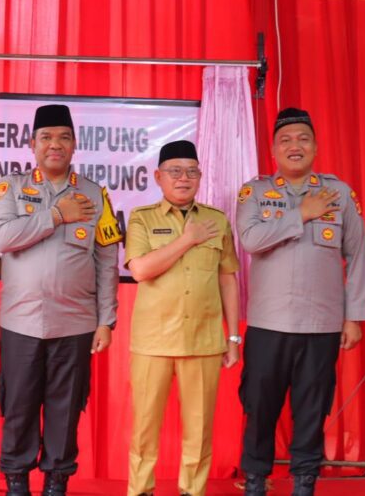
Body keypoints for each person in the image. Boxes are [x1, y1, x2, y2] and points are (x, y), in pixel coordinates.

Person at [0, 104, 122, 496]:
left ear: (75, 144)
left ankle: (56, 482)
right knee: (19, 405)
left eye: (63, 137)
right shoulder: (11, 188)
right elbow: (1, 238)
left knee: (66, 409)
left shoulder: (95, 194)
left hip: (76, 323)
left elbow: (107, 261)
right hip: (21, 323)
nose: (55, 144)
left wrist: (106, 320)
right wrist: (56, 216)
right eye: (46, 137)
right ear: (32, 144)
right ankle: (16, 481)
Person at [236, 108, 365, 496]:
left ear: (315, 146)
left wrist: (354, 316)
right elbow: (251, 240)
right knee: (259, 405)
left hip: (321, 323)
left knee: (313, 407)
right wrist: (301, 214)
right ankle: (256, 479)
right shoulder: (255, 192)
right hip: (268, 323)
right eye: (286, 140)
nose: (295, 146)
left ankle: (305, 481)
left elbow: (358, 254)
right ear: (274, 150)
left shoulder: (338, 193)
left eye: (303, 139)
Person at [124, 140, 241, 496]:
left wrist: (233, 337)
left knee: (199, 429)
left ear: (200, 177)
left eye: (191, 171)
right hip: (153, 342)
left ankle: (192, 490)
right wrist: (187, 240)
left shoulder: (216, 220)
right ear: (158, 176)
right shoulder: (142, 218)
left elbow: (227, 279)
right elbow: (141, 270)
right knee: (145, 428)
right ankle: (140, 490)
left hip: (203, 340)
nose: (183, 178)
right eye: (174, 171)